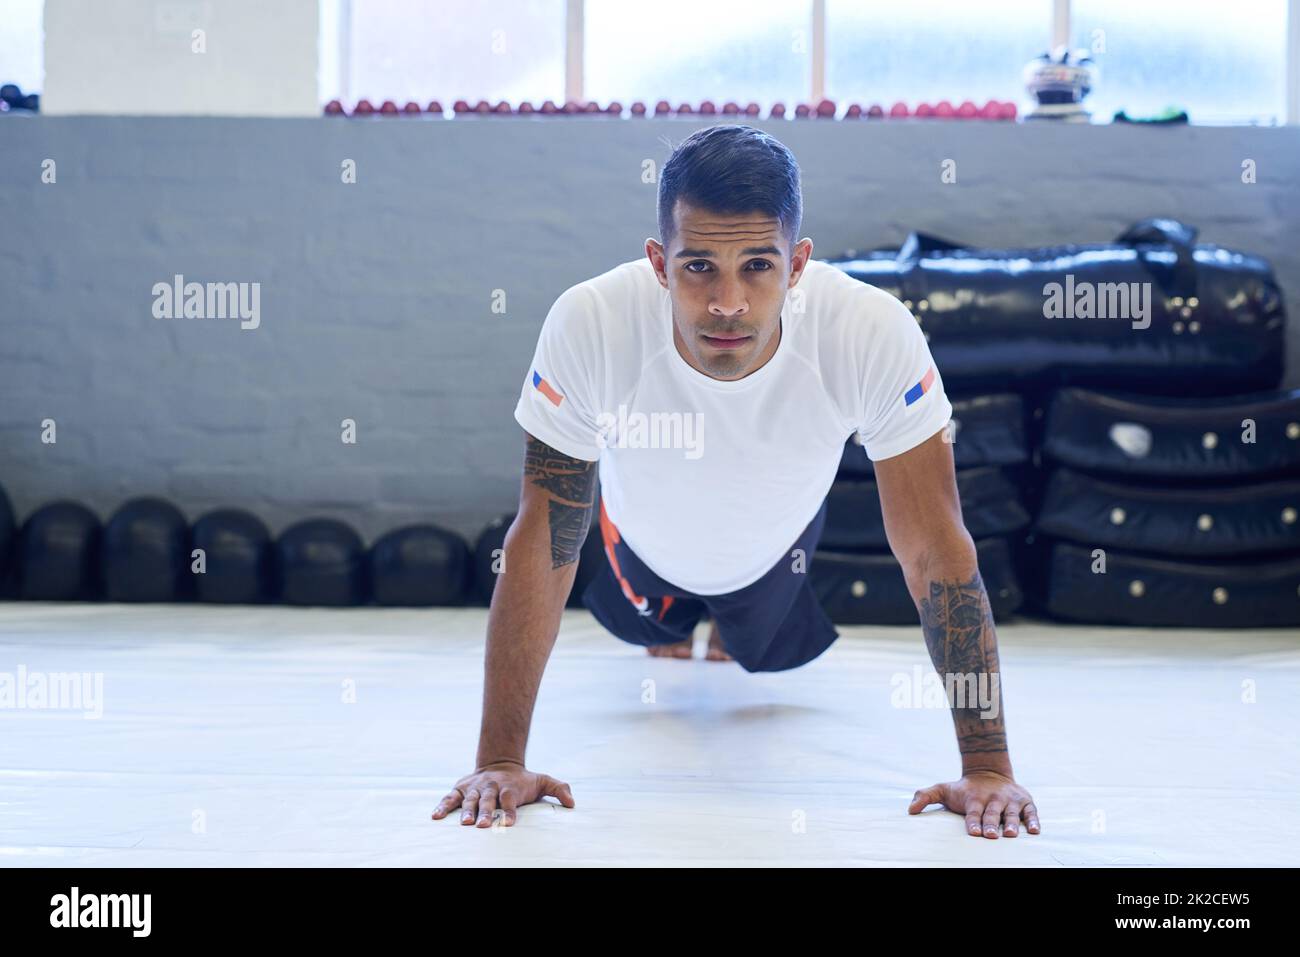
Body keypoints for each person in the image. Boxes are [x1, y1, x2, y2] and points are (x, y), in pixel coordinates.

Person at [433, 125, 1039, 840]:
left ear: (799, 263)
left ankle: (727, 620)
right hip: (641, 550)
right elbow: (541, 536)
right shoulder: (592, 321)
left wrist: (989, 765)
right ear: (659, 262)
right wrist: (500, 758)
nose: (728, 302)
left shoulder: (870, 330)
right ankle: (678, 613)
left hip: (774, 553)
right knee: (650, 622)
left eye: (757, 265)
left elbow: (937, 549)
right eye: (698, 267)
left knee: (756, 654)